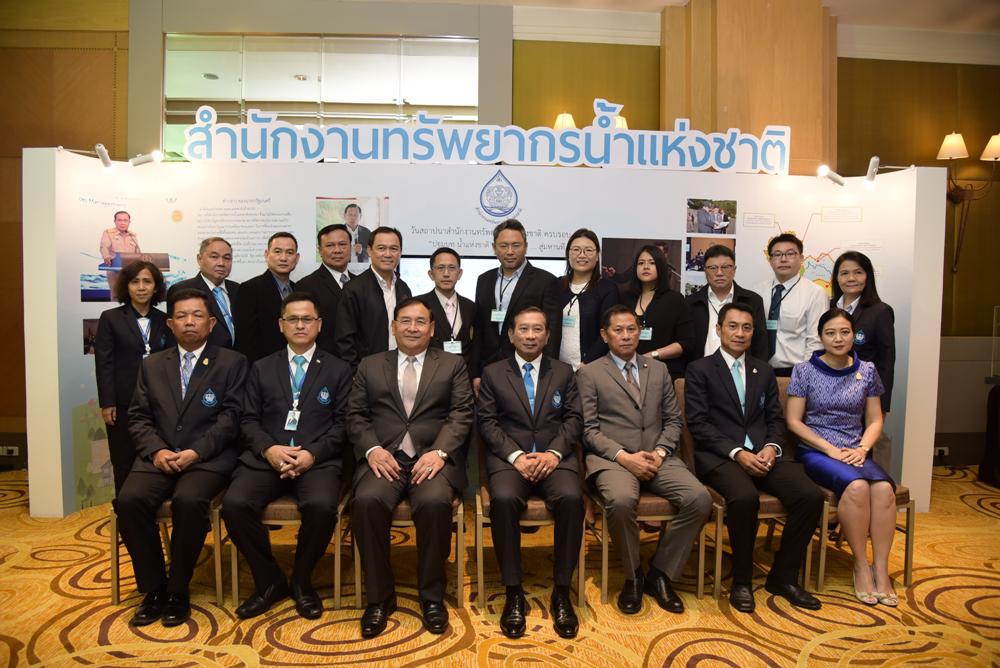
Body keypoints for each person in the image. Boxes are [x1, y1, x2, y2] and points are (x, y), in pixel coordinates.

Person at [112, 288, 248, 627]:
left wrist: (196, 451)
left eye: (197, 315)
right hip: (157, 456)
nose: (190, 322)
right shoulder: (152, 364)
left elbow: (232, 418)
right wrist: (157, 450)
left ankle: (177, 589)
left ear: (212, 323)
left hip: (207, 458)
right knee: (128, 501)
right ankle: (154, 588)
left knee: (189, 501)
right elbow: (138, 417)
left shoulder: (232, 362)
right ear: (170, 324)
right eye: (182, 316)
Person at [684, 302, 825, 613]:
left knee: (810, 497)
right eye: (733, 326)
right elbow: (699, 424)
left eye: (746, 327)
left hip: (765, 453)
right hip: (721, 456)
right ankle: (742, 580)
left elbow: (775, 418)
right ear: (718, 329)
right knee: (745, 498)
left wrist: (772, 447)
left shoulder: (763, 370)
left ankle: (783, 576)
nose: (740, 333)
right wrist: (738, 453)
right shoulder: (699, 370)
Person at [347, 298, 474, 638]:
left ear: (432, 329)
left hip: (432, 458)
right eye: (405, 321)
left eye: (420, 322)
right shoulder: (370, 365)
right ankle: (379, 598)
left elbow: (461, 413)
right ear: (394, 326)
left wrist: (440, 453)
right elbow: (356, 415)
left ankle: (431, 597)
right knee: (367, 502)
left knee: (434, 503)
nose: (413, 328)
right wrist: (372, 449)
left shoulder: (452, 364)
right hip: (384, 458)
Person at [223, 292, 353, 620]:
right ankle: (269, 580)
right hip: (267, 457)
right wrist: (269, 449)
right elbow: (247, 419)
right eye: (292, 319)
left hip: (317, 460)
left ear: (319, 325)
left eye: (307, 319)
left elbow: (344, 424)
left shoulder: (339, 369)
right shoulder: (261, 368)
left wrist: (312, 454)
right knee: (235, 504)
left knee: (321, 506)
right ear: (281, 325)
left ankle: (301, 580)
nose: (300, 325)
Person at [577, 305, 712, 615]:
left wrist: (661, 452)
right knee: (621, 501)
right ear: (605, 335)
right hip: (614, 459)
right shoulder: (590, 373)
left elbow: (674, 420)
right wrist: (625, 457)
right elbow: (588, 429)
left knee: (699, 498)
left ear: (640, 332)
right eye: (618, 330)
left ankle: (661, 573)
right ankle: (634, 575)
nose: (626, 335)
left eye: (632, 329)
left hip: (657, 456)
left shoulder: (659, 369)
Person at [477, 307, 584, 639]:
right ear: (511, 334)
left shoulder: (563, 372)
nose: (530, 335)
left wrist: (553, 454)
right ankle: (513, 591)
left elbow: (574, 419)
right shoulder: (493, 373)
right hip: (511, 459)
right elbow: (487, 423)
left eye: (538, 329)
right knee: (504, 500)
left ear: (548, 335)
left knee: (572, 499)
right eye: (523, 329)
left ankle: (561, 592)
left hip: (555, 458)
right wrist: (516, 456)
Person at [785, 308, 897, 606]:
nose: (838, 338)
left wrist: (862, 449)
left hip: (854, 450)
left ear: (853, 336)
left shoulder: (867, 370)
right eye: (830, 333)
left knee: (884, 490)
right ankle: (860, 565)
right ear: (821, 337)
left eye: (844, 332)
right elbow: (793, 421)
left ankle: (881, 569)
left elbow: (875, 419)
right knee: (857, 487)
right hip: (817, 451)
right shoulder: (804, 370)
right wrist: (829, 449)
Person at [95, 261, 172, 494]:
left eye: (147, 281)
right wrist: (107, 402)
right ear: (126, 287)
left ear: (156, 287)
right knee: (123, 460)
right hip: (123, 403)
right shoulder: (110, 318)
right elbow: (104, 363)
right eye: (135, 282)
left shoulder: (166, 320)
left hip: (160, 402)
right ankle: (124, 509)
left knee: (157, 458)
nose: (141, 287)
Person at [472, 219, 561, 392]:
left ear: (526, 246)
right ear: (494, 247)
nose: (510, 251)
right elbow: (479, 329)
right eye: (504, 246)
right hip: (489, 366)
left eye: (516, 245)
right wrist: (476, 372)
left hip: (528, 366)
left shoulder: (546, 281)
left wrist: (547, 373)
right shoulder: (484, 280)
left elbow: (553, 332)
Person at [334, 226, 412, 369]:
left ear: (400, 252)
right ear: (369, 251)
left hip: (402, 366)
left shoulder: (404, 288)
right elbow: (344, 339)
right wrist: (355, 373)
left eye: (394, 249)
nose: (388, 254)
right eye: (381, 248)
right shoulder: (354, 289)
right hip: (367, 371)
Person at [754, 233, 828, 376]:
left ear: (801, 258)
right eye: (777, 254)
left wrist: (805, 375)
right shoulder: (757, 292)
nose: (783, 259)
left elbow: (815, 341)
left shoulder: (815, 293)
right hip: (759, 371)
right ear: (770, 260)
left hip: (796, 372)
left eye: (790, 254)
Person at [831, 251, 896, 412]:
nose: (851, 278)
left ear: (868, 277)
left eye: (858, 272)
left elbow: (886, 363)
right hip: (827, 392)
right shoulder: (827, 307)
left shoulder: (880, 312)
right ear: (836, 278)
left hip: (863, 396)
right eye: (844, 273)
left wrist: (882, 406)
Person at [685, 245, 767, 361]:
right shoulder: (691, 303)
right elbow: (686, 344)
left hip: (741, 369)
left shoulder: (752, 300)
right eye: (713, 268)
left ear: (734, 269)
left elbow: (761, 344)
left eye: (725, 267)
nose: (719, 273)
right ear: (705, 271)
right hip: (700, 369)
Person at [626, 244, 695, 378]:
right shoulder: (626, 299)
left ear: (661, 267)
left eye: (652, 263)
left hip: (665, 371)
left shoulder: (675, 300)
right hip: (629, 371)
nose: (646, 267)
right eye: (641, 263)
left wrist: (653, 355)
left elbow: (687, 343)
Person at [557, 229, 620, 371]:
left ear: (597, 256)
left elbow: (608, 330)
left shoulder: (607, 289)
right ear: (568, 254)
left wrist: (587, 363)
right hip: (556, 368)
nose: (582, 255)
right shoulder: (556, 286)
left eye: (588, 250)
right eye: (576, 250)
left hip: (591, 368)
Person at [235, 232, 300, 362]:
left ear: (297, 258)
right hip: (264, 366)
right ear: (266, 254)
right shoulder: (249, 289)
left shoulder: (299, 289)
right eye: (277, 251)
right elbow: (246, 341)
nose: (283, 258)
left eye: (289, 252)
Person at [167, 237, 240, 349]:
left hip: (239, 357)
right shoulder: (182, 289)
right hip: (203, 357)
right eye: (214, 257)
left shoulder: (238, 289)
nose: (221, 263)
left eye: (227, 258)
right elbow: (174, 335)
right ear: (199, 259)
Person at [296, 224, 356, 355]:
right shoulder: (305, 286)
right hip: (324, 361)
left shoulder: (361, 283)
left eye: (342, 244)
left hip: (360, 361)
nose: (337, 250)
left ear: (350, 248)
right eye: (330, 245)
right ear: (320, 250)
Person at [417, 247, 476, 369]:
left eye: (452, 268)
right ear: (431, 274)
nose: (446, 274)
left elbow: (475, 345)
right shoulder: (419, 305)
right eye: (440, 268)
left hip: (464, 373)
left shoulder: (470, 306)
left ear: (460, 274)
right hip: (430, 372)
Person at [99, 210, 141, 297]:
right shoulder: (108, 233)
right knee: (116, 296)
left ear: (129, 222)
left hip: (130, 271)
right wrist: (106, 256)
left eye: (125, 220)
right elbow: (104, 247)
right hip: (114, 269)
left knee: (131, 296)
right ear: (115, 221)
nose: (122, 223)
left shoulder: (132, 236)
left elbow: (138, 253)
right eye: (119, 220)